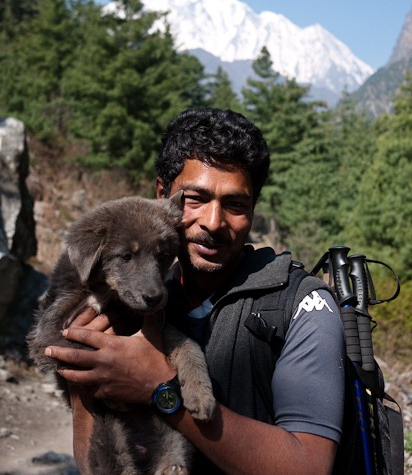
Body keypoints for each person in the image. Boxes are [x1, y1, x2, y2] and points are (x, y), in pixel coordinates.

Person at [45, 107, 346, 475]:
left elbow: (309, 468)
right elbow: (91, 452)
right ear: (163, 195)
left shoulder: (302, 307)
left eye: (235, 204)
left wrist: (158, 389)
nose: (213, 222)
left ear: (253, 208)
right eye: (196, 199)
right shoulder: (136, 296)